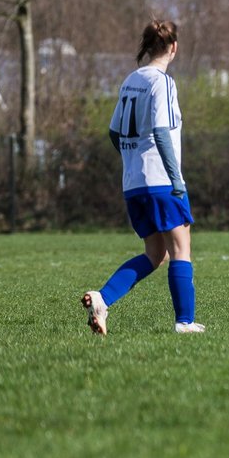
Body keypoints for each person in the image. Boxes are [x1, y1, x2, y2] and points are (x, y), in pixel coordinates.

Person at [81, 20, 204, 335]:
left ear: (147, 46)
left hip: (134, 184)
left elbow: (113, 131)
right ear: (173, 47)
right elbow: (162, 132)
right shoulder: (162, 82)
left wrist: (132, 160)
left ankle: (102, 299)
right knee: (180, 249)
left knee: (155, 254)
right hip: (161, 180)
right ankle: (185, 322)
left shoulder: (130, 81)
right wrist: (176, 179)